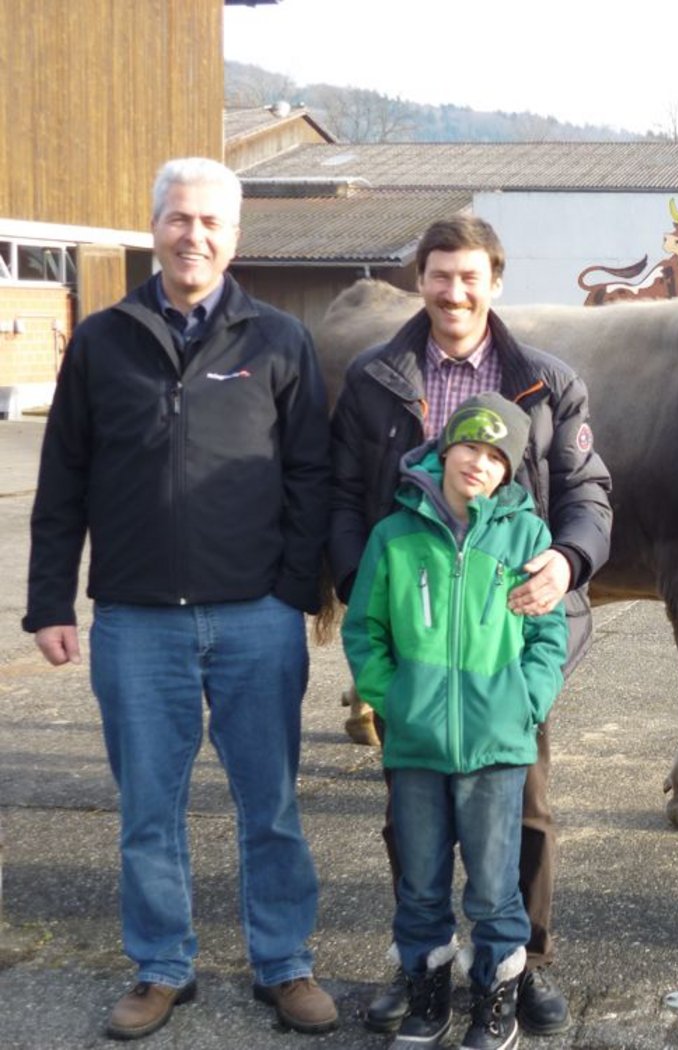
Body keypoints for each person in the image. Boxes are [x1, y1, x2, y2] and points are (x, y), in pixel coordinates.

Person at [23, 157, 338, 1038]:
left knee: (268, 805)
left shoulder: (279, 340)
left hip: (255, 620)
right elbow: (64, 479)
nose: (193, 235)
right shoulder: (101, 340)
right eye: (179, 219)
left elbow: (310, 474)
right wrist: (52, 599)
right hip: (136, 621)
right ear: (154, 225)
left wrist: (291, 594)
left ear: (235, 237)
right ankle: (161, 966)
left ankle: (284, 964)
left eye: (211, 223)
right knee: (146, 810)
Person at [329, 215, 612, 1034]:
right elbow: (344, 496)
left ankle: (518, 970)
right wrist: (364, 589)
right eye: (439, 275)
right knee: (410, 816)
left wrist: (567, 561)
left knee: (523, 807)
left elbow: (589, 491)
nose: (454, 292)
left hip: (507, 633)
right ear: (420, 279)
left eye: (470, 277)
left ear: (495, 281)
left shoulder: (546, 380)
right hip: (415, 634)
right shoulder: (377, 375)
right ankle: (418, 967)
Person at [343, 393, 568, 1050]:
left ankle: (493, 1005)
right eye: (470, 445)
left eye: (498, 456)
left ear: (510, 471)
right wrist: (396, 698)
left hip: (497, 749)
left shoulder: (526, 537)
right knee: (420, 885)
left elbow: (548, 638)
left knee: (496, 891)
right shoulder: (394, 535)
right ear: (445, 448)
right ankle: (427, 997)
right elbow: (365, 632)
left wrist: (523, 702)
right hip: (416, 746)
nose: (480, 463)